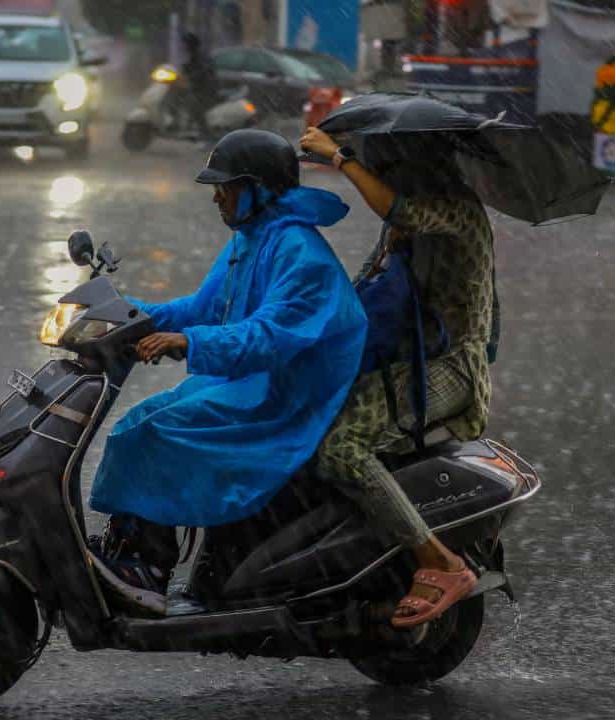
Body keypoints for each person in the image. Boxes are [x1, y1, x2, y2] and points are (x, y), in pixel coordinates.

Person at [87, 129, 368, 613]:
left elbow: (267, 336)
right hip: (250, 383)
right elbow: (202, 307)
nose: (217, 196)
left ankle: (149, 566)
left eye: (227, 187)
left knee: (158, 432)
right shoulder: (252, 238)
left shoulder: (302, 254)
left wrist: (188, 342)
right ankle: (130, 548)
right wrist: (124, 313)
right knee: (137, 422)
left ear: (259, 189)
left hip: (287, 399)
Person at [299, 125, 493, 629]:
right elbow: (367, 284)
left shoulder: (456, 210)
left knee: (342, 448)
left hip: (450, 368)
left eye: (391, 159)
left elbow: (400, 210)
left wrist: (340, 158)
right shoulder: (407, 221)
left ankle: (440, 562)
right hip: (404, 360)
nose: (386, 167)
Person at [181, 32, 218, 141]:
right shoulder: (193, 55)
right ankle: (186, 126)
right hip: (199, 87)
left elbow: (203, 70)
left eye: (186, 44)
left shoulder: (201, 55)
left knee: (195, 106)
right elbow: (189, 68)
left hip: (207, 88)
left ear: (191, 44)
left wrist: (193, 76)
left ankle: (206, 135)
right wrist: (185, 70)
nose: (184, 46)